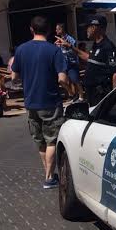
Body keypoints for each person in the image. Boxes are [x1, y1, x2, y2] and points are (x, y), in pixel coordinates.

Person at [11, 16, 68, 189]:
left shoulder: (21, 50)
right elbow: (62, 78)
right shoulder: (54, 50)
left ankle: (49, 175)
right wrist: (67, 89)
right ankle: (49, 177)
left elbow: (13, 77)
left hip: (30, 102)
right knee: (51, 140)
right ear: (49, 30)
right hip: (50, 101)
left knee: (40, 141)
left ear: (31, 29)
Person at [67, 17, 116, 106]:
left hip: (101, 94)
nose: (86, 30)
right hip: (92, 93)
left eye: (87, 27)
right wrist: (70, 47)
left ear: (94, 28)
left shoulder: (107, 46)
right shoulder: (96, 44)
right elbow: (89, 58)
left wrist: (114, 99)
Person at [55, 23, 80, 99]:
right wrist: (57, 47)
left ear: (61, 29)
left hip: (72, 62)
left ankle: (79, 96)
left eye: (57, 29)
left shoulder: (70, 39)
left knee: (75, 80)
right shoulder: (59, 40)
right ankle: (72, 94)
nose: (56, 31)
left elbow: (74, 50)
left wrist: (66, 47)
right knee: (64, 81)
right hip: (64, 63)